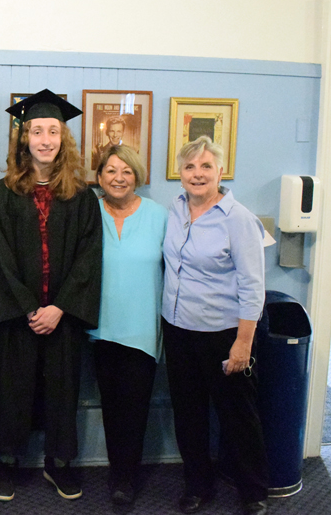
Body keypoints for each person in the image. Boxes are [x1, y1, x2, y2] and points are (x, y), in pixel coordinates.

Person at [0, 89, 102, 503]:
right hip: (18, 315)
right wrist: (31, 307)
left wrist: (59, 307)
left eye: (53, 131)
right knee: (11, 387)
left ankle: (58, 463)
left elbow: (88, 257)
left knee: (62, 389)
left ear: (63, 138)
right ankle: (7, 461)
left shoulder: (83, 197)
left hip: (63, 315)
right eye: (37, 131)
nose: (45, 139)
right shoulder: (0, 194)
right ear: (24, 139)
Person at [162, 136, 268, 515]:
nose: (198, 174)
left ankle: (253, 490)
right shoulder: (174, 209)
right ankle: (198, 485)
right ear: (180, 173)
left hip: (225, 334)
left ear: (221, 171)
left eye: (206, 166)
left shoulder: (238, 219)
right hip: (177, 329)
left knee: (238, 415)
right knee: (188, 414)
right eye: (190, 166)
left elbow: (254, 287)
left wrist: (243, 343)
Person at [86, 145, 168, 506]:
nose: (119, 178)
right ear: (99, 176)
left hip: (141, 330)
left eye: (127, 171)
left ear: (137, 176)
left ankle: (126, 477)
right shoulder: (87, 212)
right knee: (110, 404)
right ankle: (117, 471)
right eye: (111, 171)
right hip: (99, 327)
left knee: (134, 407)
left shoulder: (160, 216)